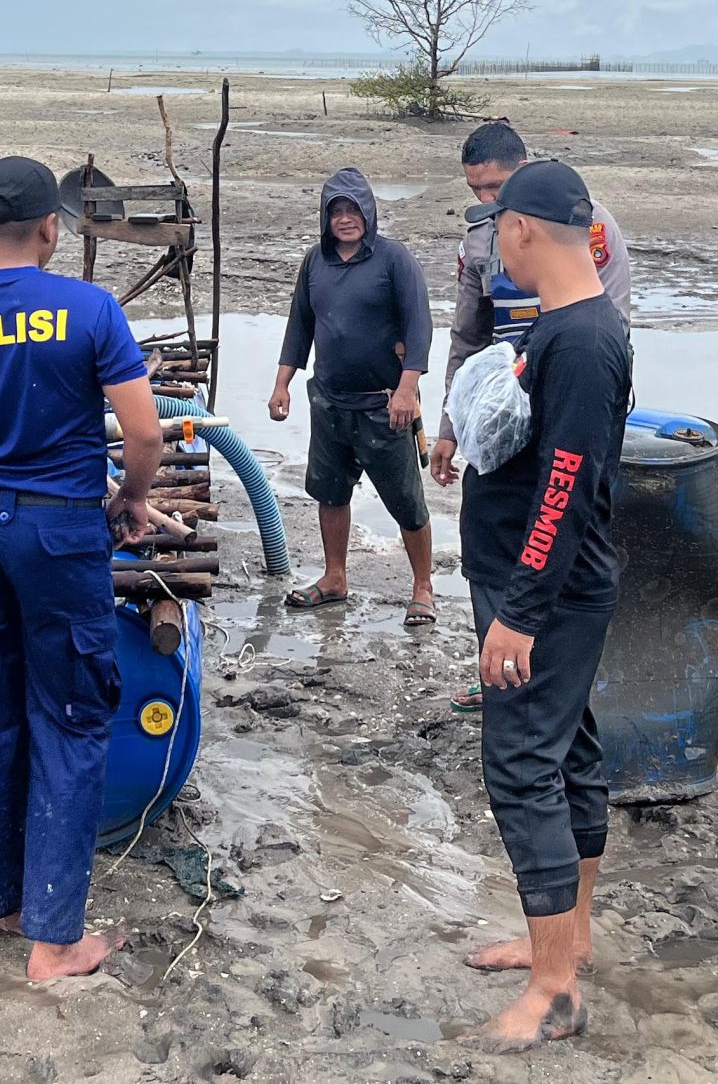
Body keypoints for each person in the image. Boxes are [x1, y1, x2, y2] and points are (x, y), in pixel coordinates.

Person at [0, 156, 166, 983]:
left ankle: (6, 903)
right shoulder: (90, 309)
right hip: (60, 533)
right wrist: (131, 497)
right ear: (52, 227)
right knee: (74, 716)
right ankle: (56, 942)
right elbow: (147, 434)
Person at [441, 159, 633, 1051]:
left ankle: (556, 989)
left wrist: (518, 611)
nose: (496, 250)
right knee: (570, 753)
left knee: (521, 769)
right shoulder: (566, 325)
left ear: (520, 229)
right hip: (546, 585)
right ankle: (568, 937)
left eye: (497, 232)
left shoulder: (585, 339)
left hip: (546, 596)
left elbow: (566, 484)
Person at [432, 120, 630, 706]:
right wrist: (450, 427)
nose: (489, 204)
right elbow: (467, 338)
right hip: (501, 417)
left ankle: (553, 681)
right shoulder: (476, 242)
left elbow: (610, 328)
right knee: (495, 553)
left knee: (562, 534)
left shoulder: (587, 228)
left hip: (568, 396)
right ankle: (499, 669)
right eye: (477, 193)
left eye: (497, 188)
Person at [267, 168, 437, 623]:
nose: (345, 218)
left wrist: (407, 389)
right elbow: (299, 326)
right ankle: (335, 577)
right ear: (325, 217)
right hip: (329, 401)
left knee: (405, 500)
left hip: (385, 404)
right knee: (330, 491)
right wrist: (282, 384)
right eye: (336, 210)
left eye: (353, 209)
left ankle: (423, 587)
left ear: (369, 212)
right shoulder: (313, 263)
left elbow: (420, 327)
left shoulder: (394, 260)